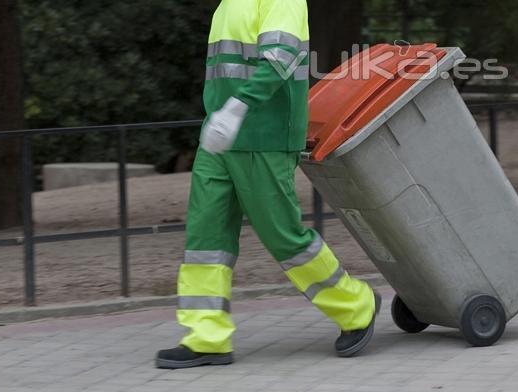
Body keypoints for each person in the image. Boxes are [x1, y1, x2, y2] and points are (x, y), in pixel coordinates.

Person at [155, 0, 380, 369]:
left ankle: (357, 306)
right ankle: (206, 337)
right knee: (205, 238)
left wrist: (236, 108)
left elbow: (281, 57)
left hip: (263, 135)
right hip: (221, 138)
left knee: (284, 237)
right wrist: (220, 116)